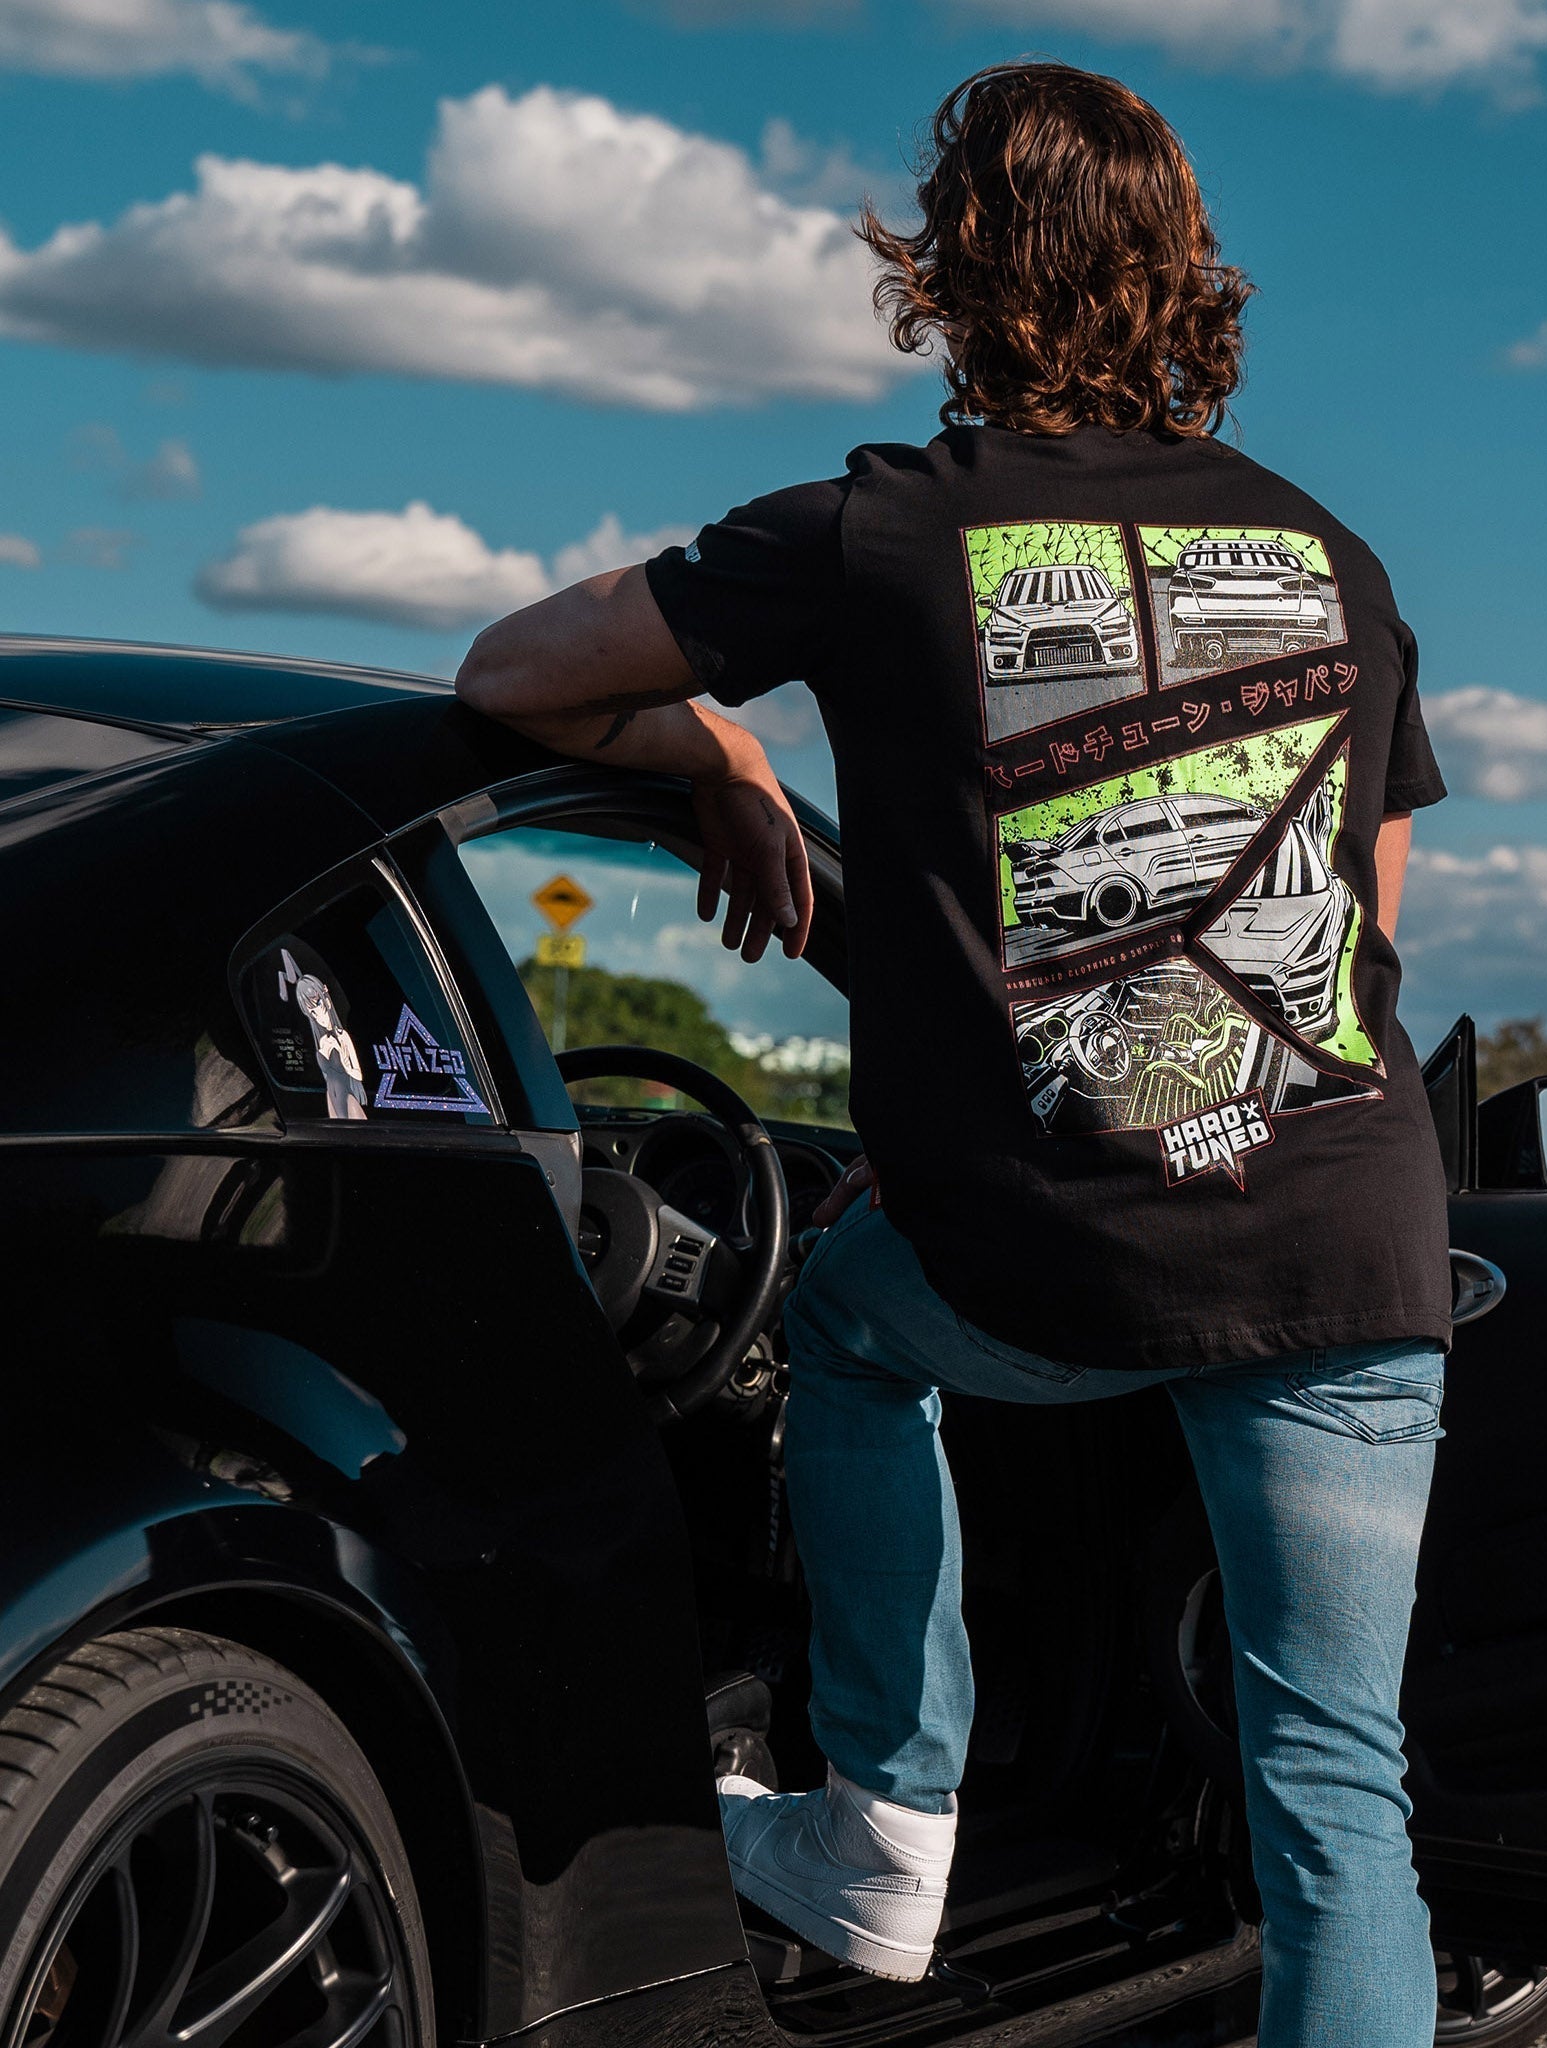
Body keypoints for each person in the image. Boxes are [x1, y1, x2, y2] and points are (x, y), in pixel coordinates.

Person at [456, 60, 1451, 2048]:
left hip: (1056, 1241)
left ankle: (881, 1826)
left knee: (842, 1317)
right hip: (1345, 1225)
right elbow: (1367, 910)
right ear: (1181, 272)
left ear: (956, 269)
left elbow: (508, 677)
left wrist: (716, 743)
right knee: (1337, 1793)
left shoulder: (878, 533)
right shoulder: (1323, 553)